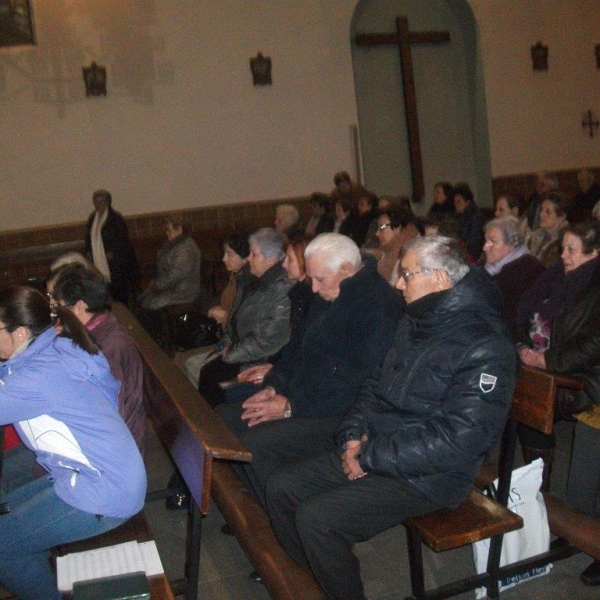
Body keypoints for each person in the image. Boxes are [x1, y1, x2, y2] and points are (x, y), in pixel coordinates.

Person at [265, 235, 517, 600]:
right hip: (379, 446)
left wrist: (369, 456)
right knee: (282, 487)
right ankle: (313, 583)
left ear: (441, 280)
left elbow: (460, 438)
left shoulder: (486, 344)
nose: (398, 283)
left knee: (318, 519)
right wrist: (353, 435)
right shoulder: (417, 319)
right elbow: (373, 384)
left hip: (432, 473)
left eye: (408, 275)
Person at [215, 233, 402, 508]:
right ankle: (255, 509)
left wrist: (291, 406)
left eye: (319, 279)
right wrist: (274, 385)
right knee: (224, 419)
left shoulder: (378, 306)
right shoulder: (332, 290)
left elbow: (354, 383)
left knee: (254, 443)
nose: (313, 289)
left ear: (347, 270)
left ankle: (277, 517)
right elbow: (297, 348)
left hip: (341, 413)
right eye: (311, 278)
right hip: (306, 397)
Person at [0, 286, 146, 600]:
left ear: (22, 333)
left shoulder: (38, 376)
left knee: (1, 547)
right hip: (95, 474)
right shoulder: (52, 349)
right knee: (8, 516)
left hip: (104, 490)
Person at [517, 221, 600, 491]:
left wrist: (545, 360)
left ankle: (539, 489)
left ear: (594, 252)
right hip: (548, 362)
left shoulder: (592, 287)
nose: (563, 255)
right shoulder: (556, 276)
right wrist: (522, 345)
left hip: (583, 375)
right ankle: (534, 484)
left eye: (571, 250)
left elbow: (592, 344)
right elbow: (528, 314)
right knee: (515, 387)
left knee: (531, 397)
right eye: (563, 248)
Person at [51, 265, 147, 452]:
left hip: (118, 446)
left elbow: (112, 410)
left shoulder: (107, 346)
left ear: (79, 306)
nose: (58, 317)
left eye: (61, 309)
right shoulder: (100, 328)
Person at [197, 228, 292, 406]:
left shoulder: (280, 289)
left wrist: (230, 353)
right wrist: (225, 343)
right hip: (239, 351)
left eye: (254, 254)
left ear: (271, 259)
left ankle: (213, 428)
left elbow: (268, 340)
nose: (248, 258)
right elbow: (233, 319)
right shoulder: (250, 280)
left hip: (260, 359)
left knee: (210, 376)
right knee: (207, 371)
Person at [482, 216, 544, 337]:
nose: (484, 247)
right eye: (485, 241)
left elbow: (515, 319)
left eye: (492, 242)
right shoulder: (487, 266)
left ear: (511, 244)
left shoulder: (529, 271)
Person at [84, 189, 139, 305]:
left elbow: (122, 239)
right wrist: (89, 251)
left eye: (99, 203)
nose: (97, 206)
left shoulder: (115, 218)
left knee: (118, 290)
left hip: (115, 262)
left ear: (107, 203)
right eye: (95, 203)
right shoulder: (92, 218)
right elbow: (88, 237)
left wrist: (113, 252)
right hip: (98, 258)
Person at [138, 215, 201, 311]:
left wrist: (155, 286)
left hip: (182, 292)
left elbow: (175, 275)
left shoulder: (185, 248)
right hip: (172, 287)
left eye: (169, 230)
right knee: (143, 300)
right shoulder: (175, 244)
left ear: (179, 229)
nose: (166, 233)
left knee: (148, 305)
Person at [375, 204, 420, 286]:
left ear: (397, 226)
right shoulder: (387, 249)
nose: (377, 233)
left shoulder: (407, 254)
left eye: (382, 228)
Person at [527, 191, 569, 267]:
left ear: (561, 217)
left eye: (548, 212)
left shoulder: (563, 242)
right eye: (541, 210)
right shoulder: (535, 237)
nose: (541, 215)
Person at [453, 182, 485, 261]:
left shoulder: (476, 217)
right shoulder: (458, 216)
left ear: (467, 201)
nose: (456, 204)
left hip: (472, 254)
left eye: (459, 201)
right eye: (454, 202)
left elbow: (473, 242)